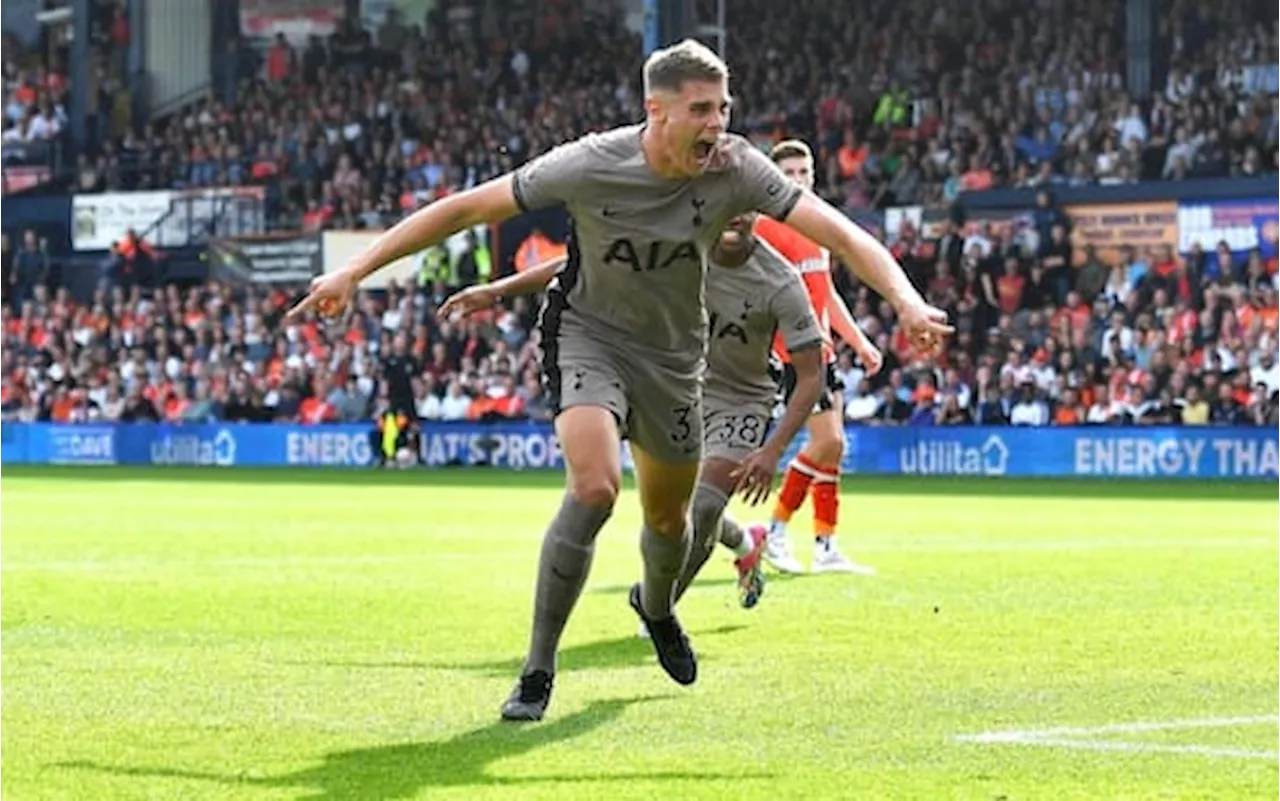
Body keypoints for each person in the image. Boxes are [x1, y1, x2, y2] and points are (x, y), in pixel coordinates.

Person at [289, 40, 950, 723]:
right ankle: (538, 668)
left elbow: (843, 234)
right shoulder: (590, 162)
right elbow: (466, 208)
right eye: (701, 109)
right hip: (589, 335)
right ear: (655, 111)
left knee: (669, 520)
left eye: (723, 108)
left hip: (673, 360)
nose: (717, 123)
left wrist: (905, 301)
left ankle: (658, 607)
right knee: (596, 485)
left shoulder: (735, 169)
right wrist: (353, 271)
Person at [442, 213, 844, 613]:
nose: (736, 214)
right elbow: (587, 262)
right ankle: (745, 543)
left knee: (702, 507)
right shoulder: (678, 246)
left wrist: (773, 450)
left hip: (742, 398)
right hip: (674, 386)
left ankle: (657, 612)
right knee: (674, 509)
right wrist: (499, 290)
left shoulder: (780, 280)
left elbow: (812, 374)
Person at [753, 140, 886, 575]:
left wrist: (858, 340)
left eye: (802, 172)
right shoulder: (768, 226)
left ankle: (826, 545)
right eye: (787, 173)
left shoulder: (818, 225)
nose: (796, 180)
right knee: (827, 442)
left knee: (834, 447)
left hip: (823, 348)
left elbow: (824, 292)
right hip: (793, 352)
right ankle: (773, 531)